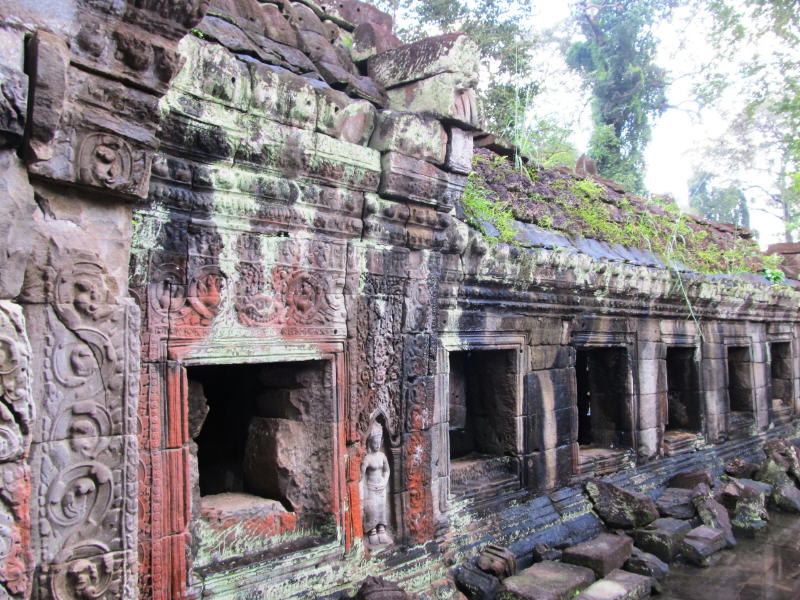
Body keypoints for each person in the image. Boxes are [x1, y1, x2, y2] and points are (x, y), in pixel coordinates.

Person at [361, 422, 391, 546]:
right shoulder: (367, 458)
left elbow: (387, 470)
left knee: (381, 509)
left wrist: (385, 480)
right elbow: (361, 475)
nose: (377, 445)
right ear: (370, 443)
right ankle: (372, 531)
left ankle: (381, 528)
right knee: (372, 509)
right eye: (375, 443)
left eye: (379, 443)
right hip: (371, 487)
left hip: (382, 487)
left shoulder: (382, 456)